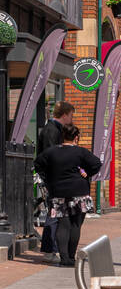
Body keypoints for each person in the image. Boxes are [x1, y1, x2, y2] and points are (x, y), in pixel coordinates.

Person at [35, 124, 101, 267]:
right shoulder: (81, 152)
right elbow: (96, 164)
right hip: (79, 192)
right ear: (76, 137)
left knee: (63, 225)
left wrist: (49, 178)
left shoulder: (51, 152)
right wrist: (86, 173)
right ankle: (71, 257)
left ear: (62, 136)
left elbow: (38, 164)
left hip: (58, 192)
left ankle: (63, 258)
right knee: (75, 225)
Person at [36, 100, 76, 259]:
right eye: (71, 115)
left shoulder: (53, 129)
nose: (72, 119)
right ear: (65, 115)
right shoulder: (52, 131)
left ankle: (50, 248)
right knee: (54, 212)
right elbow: (51, 156)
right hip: (54, 180)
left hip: (54, 178)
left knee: (56, 212)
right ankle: (49, 249)